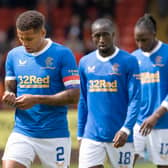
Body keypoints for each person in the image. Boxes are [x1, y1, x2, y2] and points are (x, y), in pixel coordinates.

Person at [1, 10, 80, 168]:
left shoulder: (62, 54)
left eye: (29, 38)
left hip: (55, 133)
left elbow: (74, 95)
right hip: (23, 131)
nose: (24, 43)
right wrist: (9, 94)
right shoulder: (14, 55)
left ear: (42, 32)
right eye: (21, 38)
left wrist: (36, 99)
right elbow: (11, 85)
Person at [77, 18, 141, 168]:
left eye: (105, 35)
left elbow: (135, 99)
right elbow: (83, 100)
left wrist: (126, 129)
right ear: (91, 37)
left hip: (121, 136)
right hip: (91, 135)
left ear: (114, 35)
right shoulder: (85, 62)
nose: (101, 39)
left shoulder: (129, 61)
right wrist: (80, 133)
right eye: (96, 35)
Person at [132, 14, 168, 168]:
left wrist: (156, 115)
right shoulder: (133, 58)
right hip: (137, 123)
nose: (140, 44)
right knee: (124, 162)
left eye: (144, 39)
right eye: (137, 39)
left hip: (163, 124)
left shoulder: (167, 54)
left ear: (154, 34)